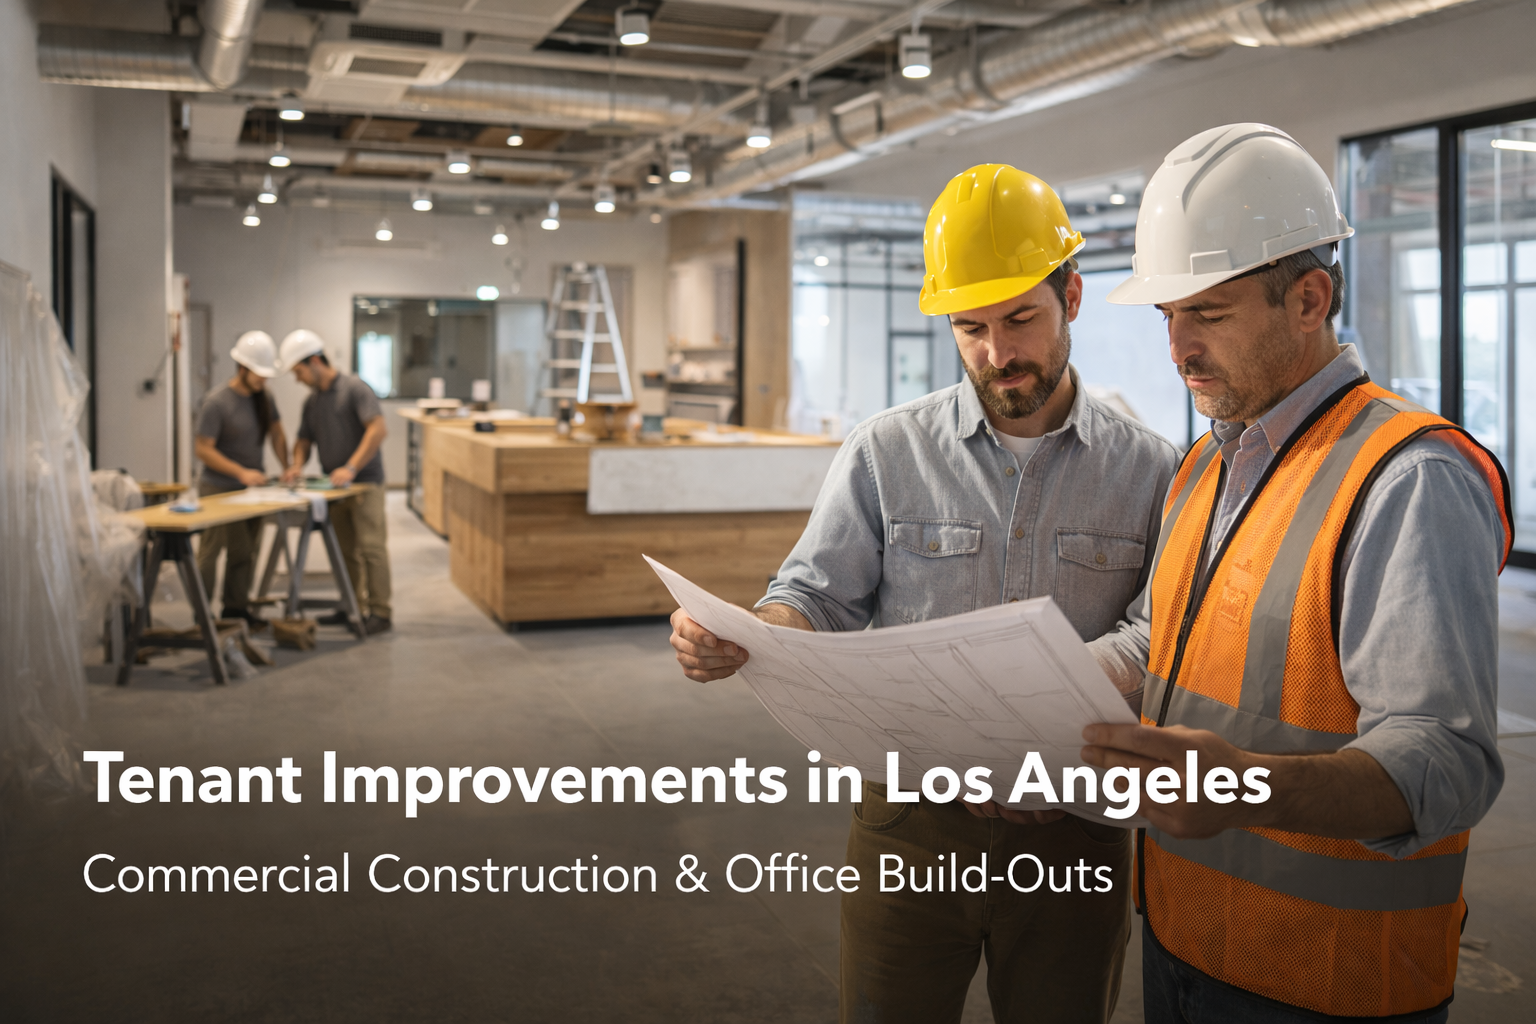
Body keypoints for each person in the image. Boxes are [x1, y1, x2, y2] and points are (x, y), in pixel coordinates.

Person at [669, 164, 1181, 1023]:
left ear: (1074, 297)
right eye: (969, 328)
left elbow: (1157, 630)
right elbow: (815, 593)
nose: (997, 353)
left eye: (1021, 319)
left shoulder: (1152, 467)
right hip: (912, 824)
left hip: (1074, 829)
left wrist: (1029, 703)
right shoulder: (885, 452)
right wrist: (751, 632)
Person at [1081, 123, 1511, 1023]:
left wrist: (1245, 785)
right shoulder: (1206, 465)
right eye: (1168, 317)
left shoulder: (1406, 478)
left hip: (1327, 979)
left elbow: (1447, 761)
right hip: (1182, 937)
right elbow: (1165, 638)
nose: (1178, 349)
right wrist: (1022, 688)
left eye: (1208, 312)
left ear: (1309, 298)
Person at [277, 328, 393, 636]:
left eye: (299, 371)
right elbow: (303, 439)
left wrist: (352, 467)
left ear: (315, 361)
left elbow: (378, 430)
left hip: (364, 483)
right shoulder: (312, 403)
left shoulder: (355, 389)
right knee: (345, 550)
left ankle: (381, 612)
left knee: (371, 548)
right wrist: (296, 464)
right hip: (335, 488)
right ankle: (353, 606)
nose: (297, 378)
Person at [194, 330, 290, 628]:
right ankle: (202, 616)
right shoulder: (216, 402)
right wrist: (240, 472)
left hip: (252, 490)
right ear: (242, 368)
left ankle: (235, 610)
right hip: (218, 488)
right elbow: (203, 449)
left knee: (246, 550)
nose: (263, 380)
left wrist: (287, 467)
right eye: (259, 373)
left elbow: (276, 432)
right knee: (211, 552)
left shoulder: (264, 398)